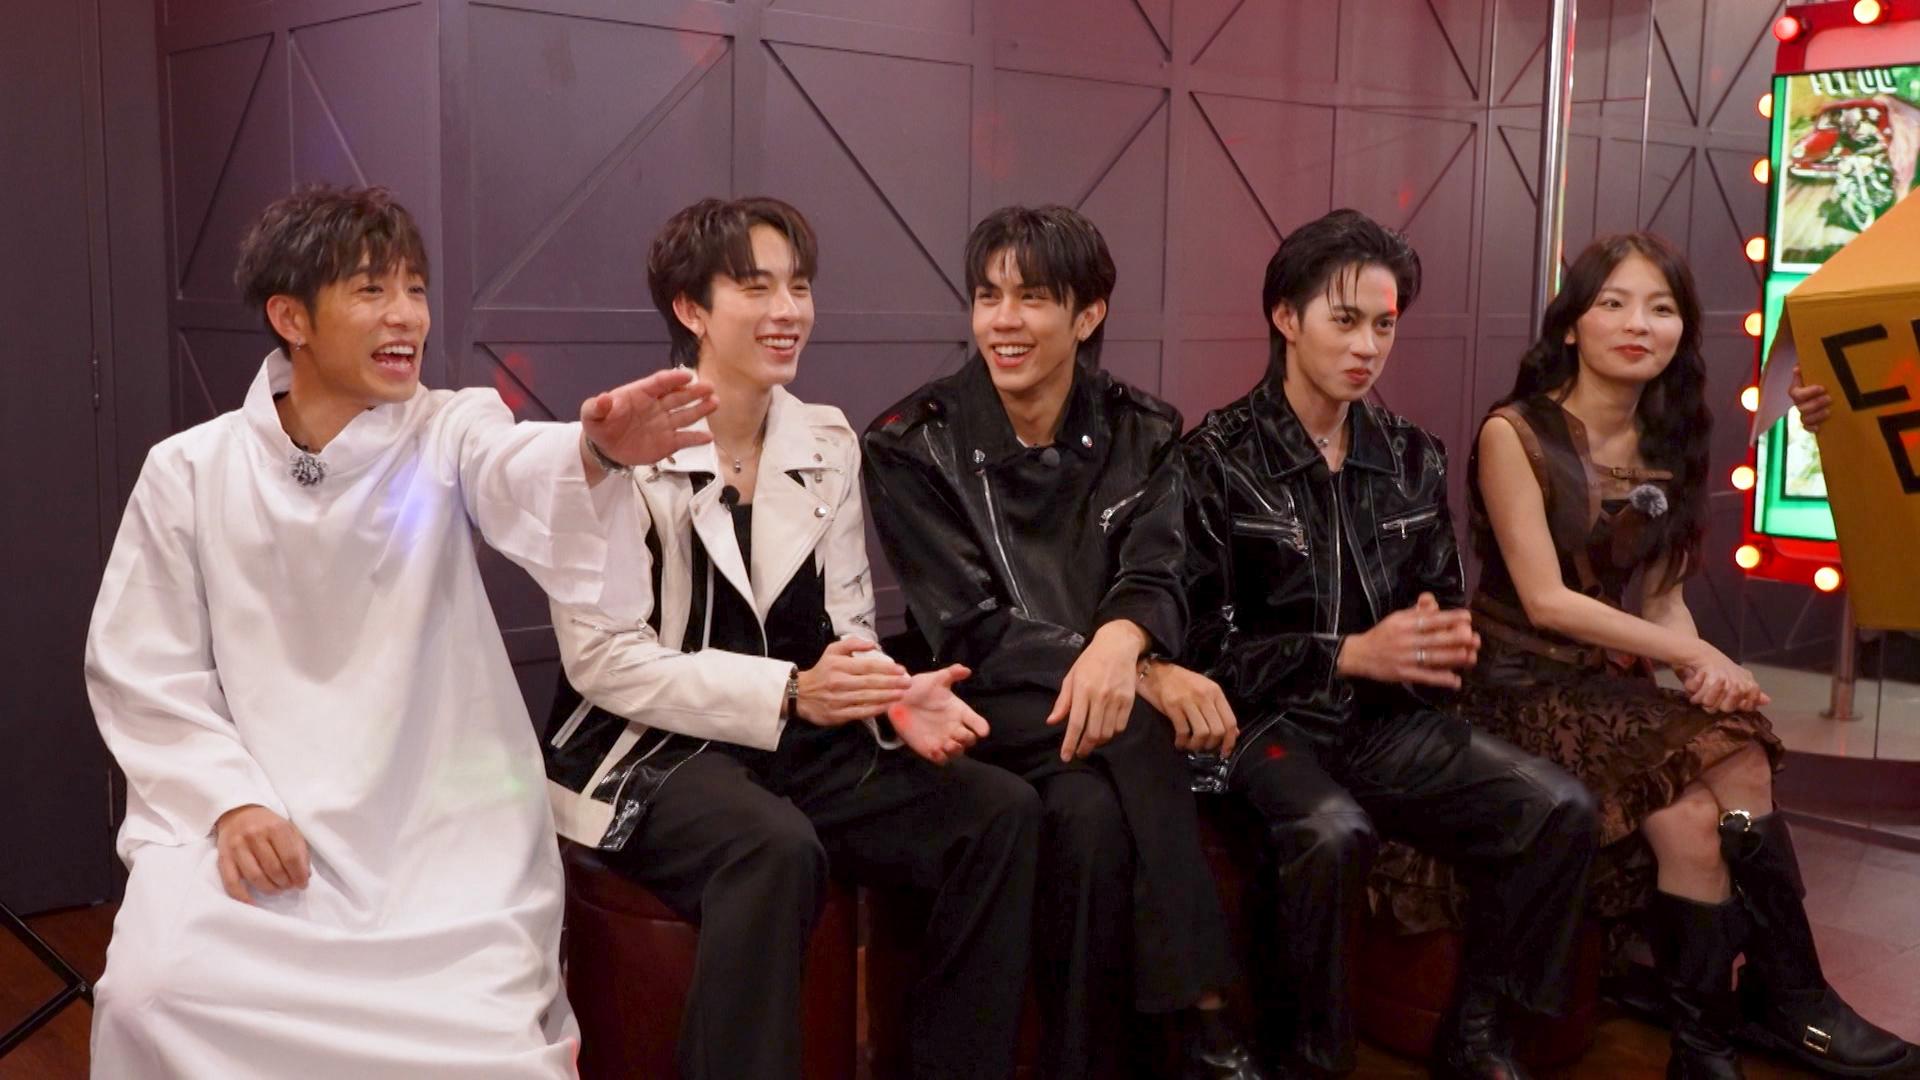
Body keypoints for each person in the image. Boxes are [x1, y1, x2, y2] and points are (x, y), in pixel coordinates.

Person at [84, 185, 716, 1078]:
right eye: (372, 289)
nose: (407, 316)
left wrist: (597, 451)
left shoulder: (448, 429)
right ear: (291, 318)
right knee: (151, 996)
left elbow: (515, 467)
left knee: (485, 1049)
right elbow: (144, 667)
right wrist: (229, 800)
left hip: (433, 830)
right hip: (262, 810)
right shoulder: (190, 469)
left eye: (415, 289)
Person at [1371, 232, 1913, 1080]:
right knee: (1739, 760)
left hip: (1602, 686)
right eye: (1614, 304)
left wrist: (1699, 670)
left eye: (1661, 309)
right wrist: (1694, 657)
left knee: (1698, 812)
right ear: (1571, 325)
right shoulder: (1515, 432)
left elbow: (1661, 601)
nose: (1638, 324)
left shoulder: (1670, 438)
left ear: (1682, 330)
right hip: (1513, 683)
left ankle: (1705, 1047)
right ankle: (1795, 1000)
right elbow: (1547, 601)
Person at [542, 197, 1039, 1080]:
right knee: (772, 849)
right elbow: (603, 661)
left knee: (998, 814)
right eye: (756, 287)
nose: (788, 311)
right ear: (691, 309)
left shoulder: (827, 440)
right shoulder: (616, 445)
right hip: (648, 744)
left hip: (795, 732)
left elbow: (847, 626)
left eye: (799, 287)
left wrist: (890, 696)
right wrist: (789, 693)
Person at [1150, 208, 1600, 1080]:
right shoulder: (1213, 460)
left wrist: (1437, 646)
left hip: (1384, 725)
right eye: (1345, 320)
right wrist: (1344, 654)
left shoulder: (1413, 458)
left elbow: (1438, 614)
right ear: (1287, 317)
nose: (1367, 347)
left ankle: (1480, 1038)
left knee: (1559, 809)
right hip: (1260, 730)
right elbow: (1199, 651)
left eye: (1385, 325)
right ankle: (1312, 1061)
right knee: (1330, 831)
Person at [863, 205, 1262, 1080]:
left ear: (1088, 315)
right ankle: (1205, 1012)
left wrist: (1126, 651)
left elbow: (1157, 571)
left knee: (1087, 818)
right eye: (987, 296)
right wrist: (1140, 674)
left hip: (1097, 714)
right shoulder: (910, 443)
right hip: (979, 690)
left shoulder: (1144, 429)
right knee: (1140, 728)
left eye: (1033, 298)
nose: (1003, 321)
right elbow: (969, 623)